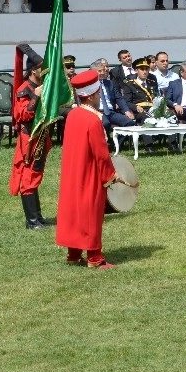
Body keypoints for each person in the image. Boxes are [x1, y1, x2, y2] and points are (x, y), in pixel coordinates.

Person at [55, 69, 131, 269]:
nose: (99, 96)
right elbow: (100, 153)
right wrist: (110, 175)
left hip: (73, 172)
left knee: (74, 213)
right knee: (91, 214)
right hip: (89, 173)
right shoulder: (93, 120)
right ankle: (95, 258)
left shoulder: (73, 115)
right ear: (91, 95)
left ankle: (73, 254)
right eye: (98, 94)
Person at [9, 45, 54, 230]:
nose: (44, 71)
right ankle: (32, 221)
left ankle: (38, 217)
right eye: (41, 68)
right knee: (29, 176)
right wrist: (35, 97)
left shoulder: (40, 85)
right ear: (33, 70)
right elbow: (23, 116)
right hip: (30, 140)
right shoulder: (25, 89)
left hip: (41, 136)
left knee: (36, 175)